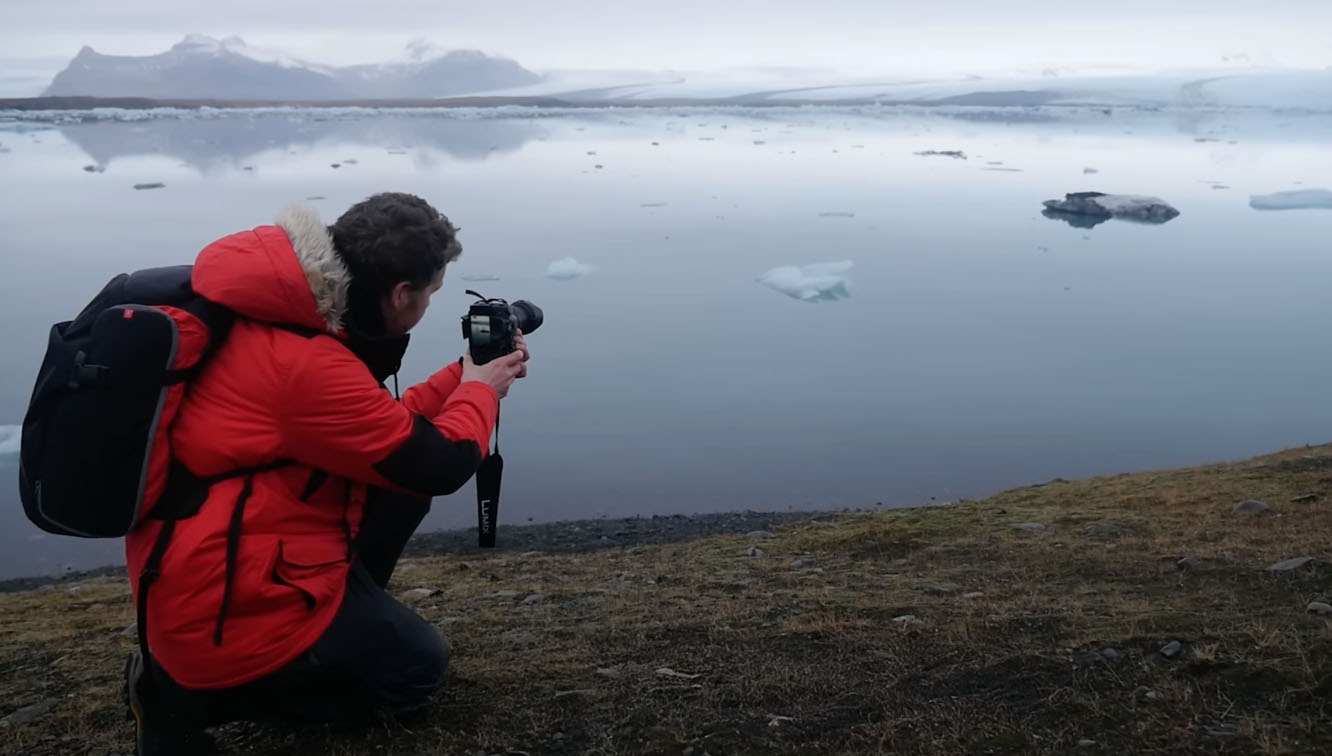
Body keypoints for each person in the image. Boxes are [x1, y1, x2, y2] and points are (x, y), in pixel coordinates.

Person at [122, 192, 529, 755]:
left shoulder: (289, 316)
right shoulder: (302, 362)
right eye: (431, 294)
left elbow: (376, 429)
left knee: (397, 489)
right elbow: (439, 463)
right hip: (221, 605)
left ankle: (314, 633)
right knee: (415, 670)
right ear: (400, 293)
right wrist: (482, 392)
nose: (428, 306)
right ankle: (183, 696)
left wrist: (466, 375)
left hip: (209, 564)